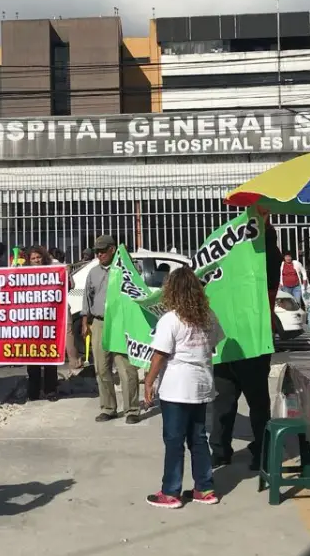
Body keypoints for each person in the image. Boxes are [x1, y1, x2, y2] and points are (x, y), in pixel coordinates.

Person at [143, 268, 225, 509]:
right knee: (198, 439)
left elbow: (159, 355)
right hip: (201, 386)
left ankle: (170, 492)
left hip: (176, 388)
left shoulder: (171, 319)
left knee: (174, 440)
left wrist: (148, 382)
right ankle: (205, 488)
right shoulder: (208, 316)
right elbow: (213, 345)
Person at [210, 214, 275, 471]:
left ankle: (261, 451)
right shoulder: (230, 255)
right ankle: (220, 450)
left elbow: (268, 256)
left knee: (257, 400)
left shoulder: (265, 253)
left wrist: (261, 227)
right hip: (227, 339)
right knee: (223, 399)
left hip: (253, 339)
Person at [82, 235, 140, 423]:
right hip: (99, 323)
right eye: (96, 251)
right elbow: (87, 298)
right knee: (101, 368)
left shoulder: (127, 269)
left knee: (126, 368)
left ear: (112, 249)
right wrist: (85, 322)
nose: (99, 254)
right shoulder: (93, 273)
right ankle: (108, 407)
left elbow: (137, 291)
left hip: (121, 323)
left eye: (102, 250)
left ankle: (132, 409)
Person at [25, 246, 59, 401]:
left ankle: (50, 390)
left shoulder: (53, 271)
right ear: (28, 261)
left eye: (38, 257)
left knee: (50, 357)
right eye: (33, 258)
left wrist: (64, 273)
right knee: (32, 359)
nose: (36, 261)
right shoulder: (23, 275)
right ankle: (33, 391)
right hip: (30, 324)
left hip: (49, 322)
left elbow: (68, 286)